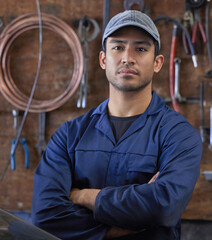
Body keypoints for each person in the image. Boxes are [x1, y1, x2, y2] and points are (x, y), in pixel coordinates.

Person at [31, 10, 202, 240]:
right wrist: (116, 228)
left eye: (140, 49)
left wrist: (82, 197)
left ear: (158, 63)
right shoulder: (69, 135)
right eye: (118, 47)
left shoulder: (178, 136)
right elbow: (46, 216)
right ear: (103, 59)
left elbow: (163, 206)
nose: (127, 58)